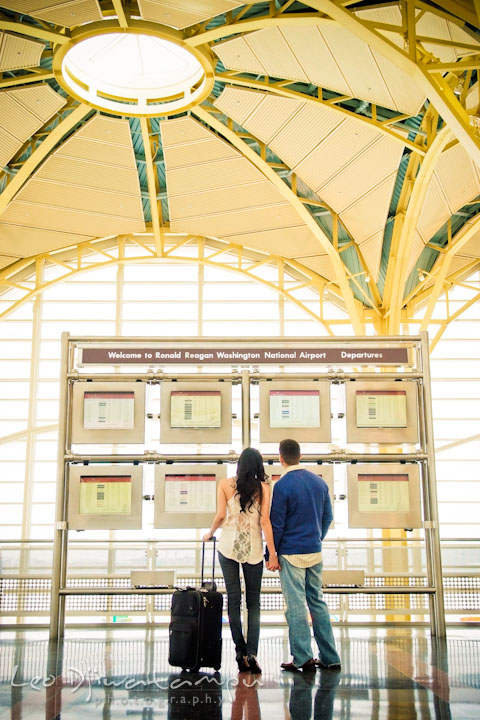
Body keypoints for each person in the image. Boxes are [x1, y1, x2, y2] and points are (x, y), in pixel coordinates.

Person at [266, 438, 341, 672]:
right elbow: (327, 517)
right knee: (317, 602)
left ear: (281, 458)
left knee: (296, 605)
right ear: (300, 456)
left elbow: (276, 524)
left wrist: (272, 554)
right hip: (314, 552)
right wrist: (317, 538)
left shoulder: (283, 485)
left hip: (291, 553)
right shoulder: (318, 483)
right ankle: (330, 657)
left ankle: (302, 657)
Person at [203, 447, 278, 674]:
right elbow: (265, 522)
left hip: (228, 547)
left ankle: (239, 651)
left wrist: (210, 533)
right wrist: (272, 553)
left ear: (239, 465)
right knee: (253, 604)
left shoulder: (225, 484)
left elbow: (220, 516)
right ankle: (252, 653)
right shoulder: (264, 488)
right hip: (254, 548)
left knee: (233, 600)